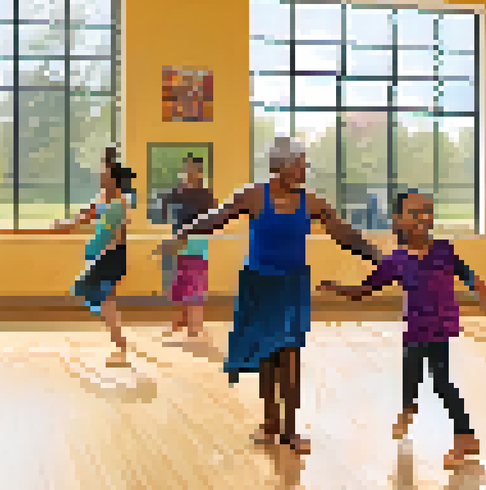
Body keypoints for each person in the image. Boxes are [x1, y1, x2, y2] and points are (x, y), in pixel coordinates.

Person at [157, 137, 383, 455]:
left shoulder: (313, 202)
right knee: (266, 357)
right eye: (300, 163)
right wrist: (182, 234)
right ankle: (269, 421)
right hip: (259, 285)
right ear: (281, 165)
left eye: (305, 163)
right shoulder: (253, 195)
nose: (305, 169)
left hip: (292, 286)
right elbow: (216, 218)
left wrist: (374, 254)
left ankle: (290, 428)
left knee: (289, 355)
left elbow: (343, 233)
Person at [318, 190, 486, 468]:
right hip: (415, 330)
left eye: (428, 211)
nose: (423, 217)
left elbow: (467, 274)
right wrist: (338, 287)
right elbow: (365, 290)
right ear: (398, 221)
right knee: (410, 373)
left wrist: (484, 293)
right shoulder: (396, 260)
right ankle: (407, 409)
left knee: (441, 381)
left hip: (440, 328)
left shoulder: (444, 249)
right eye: (414, 213)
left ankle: (465, 437)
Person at [53, 146, 135, 367]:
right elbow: (85, 216)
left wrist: (106, 252)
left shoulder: (121, 203)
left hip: (112, 255)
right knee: (101, 296)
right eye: (101, 177)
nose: (101, 181)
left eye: (105, 177)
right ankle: (119, 340)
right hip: (102, 254)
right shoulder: (102, 199)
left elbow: (120, 234)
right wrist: (65, 224)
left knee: (99, 295)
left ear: (114, 181)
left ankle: (120, 343)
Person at [162, 154, 215, 341]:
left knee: (195, 288)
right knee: (177, 288)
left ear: (200, 172)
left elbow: (212, 221)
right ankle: (177, 323)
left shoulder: (207, 195)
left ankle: (194, 326)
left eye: (193, 169)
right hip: (178, 247)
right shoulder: (176, 193)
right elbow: (162, 210)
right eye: (186, 169)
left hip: (197, 248)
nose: (188, 173)